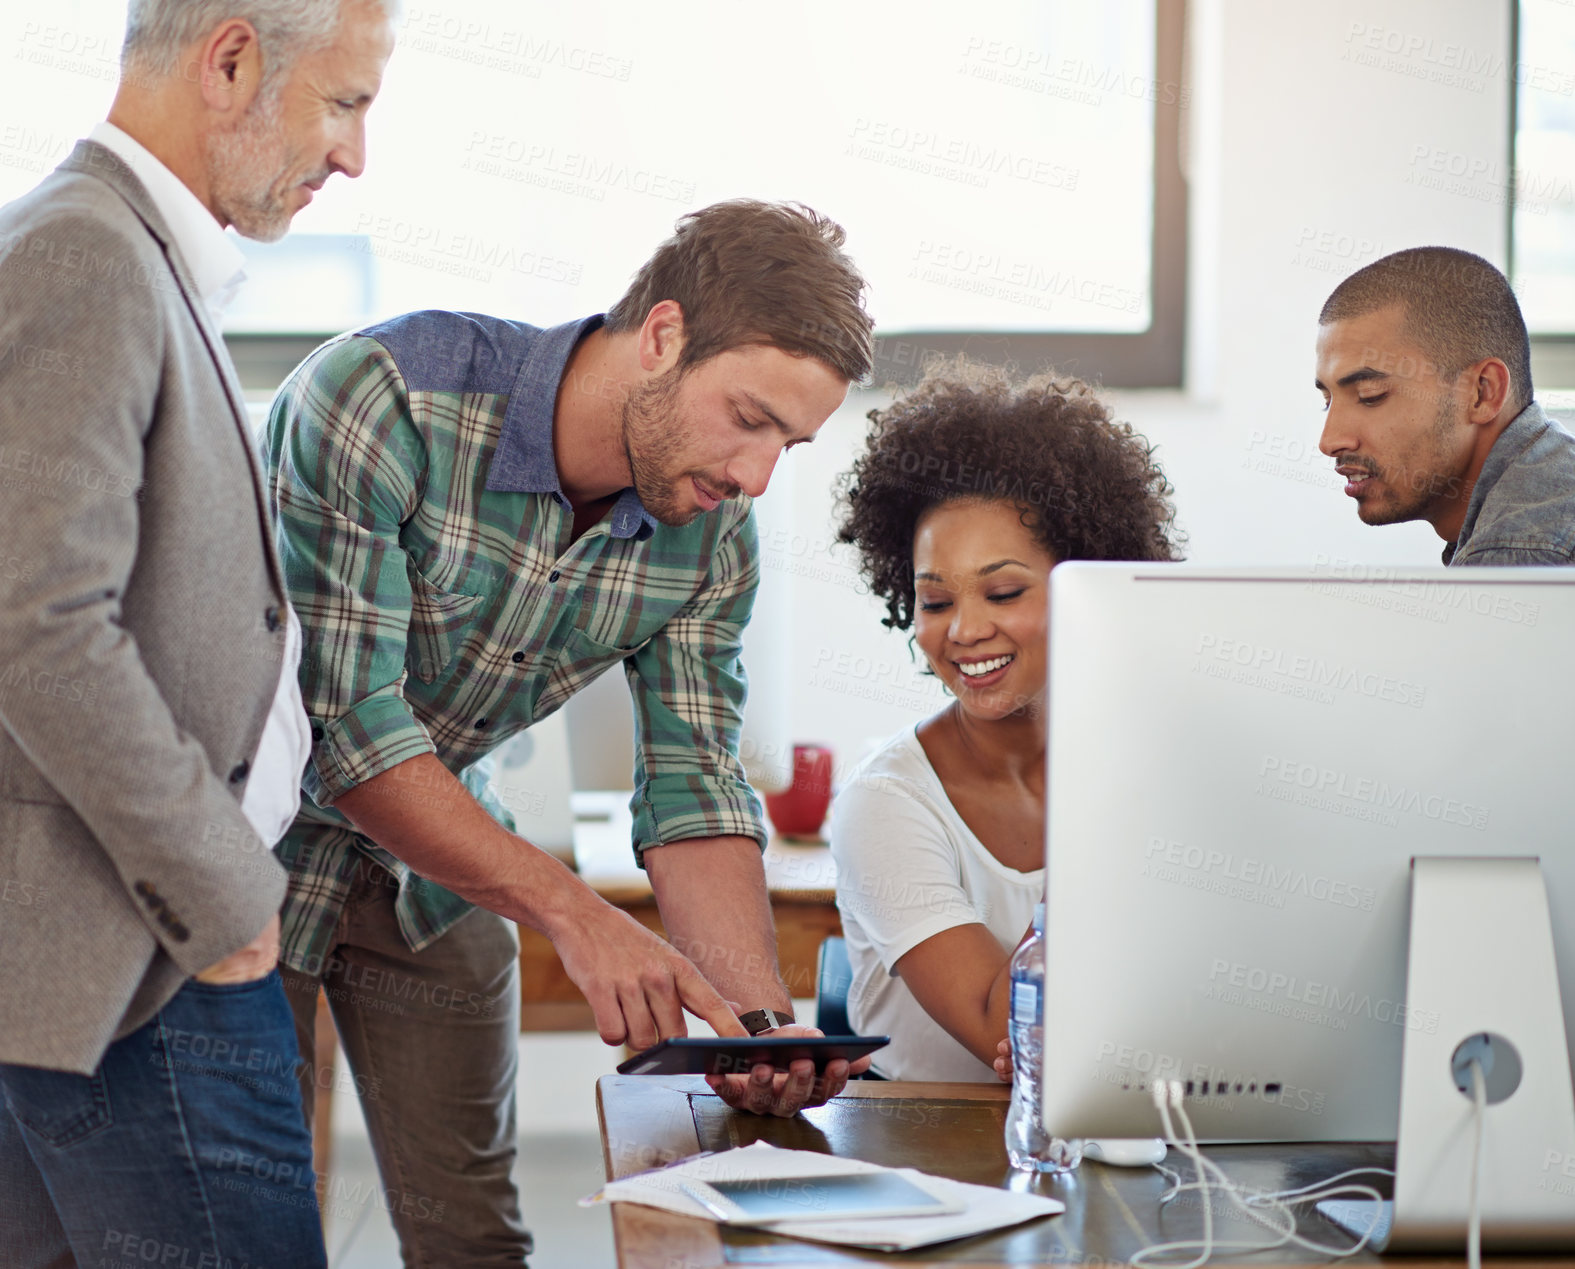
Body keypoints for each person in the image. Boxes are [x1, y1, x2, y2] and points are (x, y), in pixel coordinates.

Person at [263, 199, 875, 1265]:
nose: (755, 476)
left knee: (474, 1242)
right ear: (663, 335)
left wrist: (752, 1023)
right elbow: (348, 732)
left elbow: (693, 783)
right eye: (747, 418)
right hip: (248, 857)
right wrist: (577, 916)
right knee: (245, 1232)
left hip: (430, 879)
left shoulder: (711, 533)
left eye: (789, 442)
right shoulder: (383, 400)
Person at [0, 1, 395, 1264]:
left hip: (134, 951)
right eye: (345, 103)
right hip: (148, 959)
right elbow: (37, 626)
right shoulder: (85, 256)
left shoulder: (125, 251)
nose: (353, 155)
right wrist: (222, 896)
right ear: (230, 60)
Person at [829, 359, 1180, 1081]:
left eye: (1003, 592)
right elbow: (1012, 1029)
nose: (963, 630)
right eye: (935, 601)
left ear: (1083, 584)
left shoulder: (1152, 766)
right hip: (923, 1140)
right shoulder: (885, 803)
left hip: (1098, 1129)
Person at [1315, 246, 1575, 565]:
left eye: (1371, 395)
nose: (1329, 442)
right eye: (1327, 401)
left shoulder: (1515, 555)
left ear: (1482, 392)